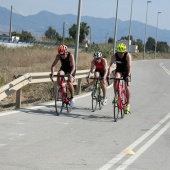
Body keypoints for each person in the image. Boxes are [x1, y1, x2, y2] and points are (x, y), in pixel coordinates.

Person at [107, 43, 132, 114]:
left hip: (127, 71)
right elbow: (111, 66)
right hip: (119, 70)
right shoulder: (114, 56)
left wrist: (128, 75)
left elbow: (130, 66)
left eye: (122, 53)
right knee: (116, 78)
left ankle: (127, 104)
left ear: (124, 52)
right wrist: (108, 74)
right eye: (119, 53)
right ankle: (116, 96)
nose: (120, 54)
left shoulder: (128, 55)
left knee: (127, 86)